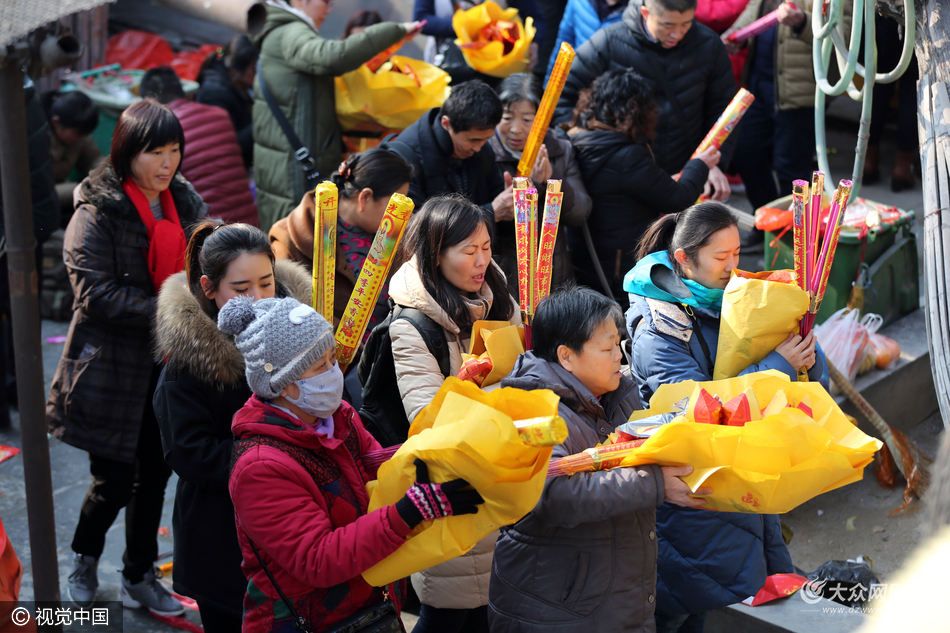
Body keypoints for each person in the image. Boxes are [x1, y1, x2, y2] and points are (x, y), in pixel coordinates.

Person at [220, 295, 485, 632]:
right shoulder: (259, 467)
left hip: (369, 608)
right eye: (321, 366)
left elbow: (383, 472)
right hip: (307, 622)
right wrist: (411, 510)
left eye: (333, 358)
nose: (334, 372)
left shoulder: (338, 418)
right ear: (286, 386)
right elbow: (318, 559)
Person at [624, 202, 825, 632]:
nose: (734, 267)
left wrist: (804, 347)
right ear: (684, 259)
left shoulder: (734, 300)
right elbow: (695, 412)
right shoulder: (658, 330)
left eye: (738, 254)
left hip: (733, 477)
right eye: (721, 257)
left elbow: (808, 385)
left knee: (705, 598)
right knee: (678, 602)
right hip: (688, 486)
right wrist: (777, 367)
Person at [47, 100, 206, 613]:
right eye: (153, 151)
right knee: (112, 481)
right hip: (109, 368)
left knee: (156, 476)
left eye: (174, 150)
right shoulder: (97, 209)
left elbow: (210, 259)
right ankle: (85, 560)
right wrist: (174, 310)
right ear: (125, 153)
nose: (166, 163)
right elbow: (94, 294)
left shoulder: (185, 204)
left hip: (167, 366)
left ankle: (139, 576)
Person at [490, 286, 710, 632]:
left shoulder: (616, 397)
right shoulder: (529, 411)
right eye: (606, 348)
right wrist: (653, 483)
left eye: (617, 345)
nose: (618, 357)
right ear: (566, 356)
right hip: (554, 609)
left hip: (608, 598)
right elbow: (552, 495)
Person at [153, 221, 311, 632]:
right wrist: (277, 456)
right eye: (241, 290)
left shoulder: (299, 333)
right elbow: (190, 454)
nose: (258, 298)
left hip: (293, 527)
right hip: (221, 540)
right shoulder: (187, 364)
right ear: (209, 288)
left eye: (266, 283)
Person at [388, 195, 519, 633]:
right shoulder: (412, 323)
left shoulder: (497, 296)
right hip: (449, 490)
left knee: (490, 610)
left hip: (503, 479)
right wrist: (492, 392)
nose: (482, 261)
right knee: (448, 611)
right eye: (469, 251)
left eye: (486, 247)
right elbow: (429, 419)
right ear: (435, 254)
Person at [251, 0, 423, 231]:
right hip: (292, 171)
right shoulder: (291, 31)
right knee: (297, 242)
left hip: (287, 164)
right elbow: (331, 56)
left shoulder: (282, 31)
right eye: (326, 2)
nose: (329, 9)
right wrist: (396, 30)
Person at [554, 0, 738, 202]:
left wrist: (711, 166)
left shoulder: (709, 45)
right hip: (622, 178)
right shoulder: (607, 43)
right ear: (645, 12)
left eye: (686, 24)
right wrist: (593, 154)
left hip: (686, 173)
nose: (677, 33)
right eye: (667, 25)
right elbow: (563, 99)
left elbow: (724, 109)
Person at [566, 69, 719, 310]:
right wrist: (699, 164)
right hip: (619, 269)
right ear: (636, 110)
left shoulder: (576, 139)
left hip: (585, 258)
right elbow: (679, 198)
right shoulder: (628, 157)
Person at [269, 147, 411, 331]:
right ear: (365, 197)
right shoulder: (289, 238)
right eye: (395, 204)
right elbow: (284, 308)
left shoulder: (400, 232)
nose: (404, 215)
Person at [722, 0, 815, 249]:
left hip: (798, 93)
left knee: (791, 168)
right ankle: (771, 226)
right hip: (757, 86)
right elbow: (754, 12)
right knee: (743, 152)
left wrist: (803, 22)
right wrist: (734, 36)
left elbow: (843, 37)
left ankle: (793, 242)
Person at [489, 73, 592, 295]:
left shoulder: (559, 149)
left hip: (554, 272)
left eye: (527, 120)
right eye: (507, 118)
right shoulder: (483, 149)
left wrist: (552, 183)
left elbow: (580, 213)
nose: (516, 129)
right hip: (502, 277)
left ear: (543, 119)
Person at [0, 76, 59, 430]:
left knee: (13, 314)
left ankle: (11, 401)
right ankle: (20, 394)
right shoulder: (24, 87)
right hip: (28, 220)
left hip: (13, 226)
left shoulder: (11, 94)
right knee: (21, 313)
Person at [140, 67, 258, 226]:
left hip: (209, 235)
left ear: (149, 100)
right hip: (250, 224)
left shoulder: (161, 133)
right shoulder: (220, 114)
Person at [394, 80, 512, 227]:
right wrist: (490, 213)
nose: (478, 148)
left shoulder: (483, 149)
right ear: (446, 123)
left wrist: (513, 202)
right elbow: (414, 227)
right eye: (473, 140)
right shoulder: (404, 157)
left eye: (486, 139)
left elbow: (497, 200)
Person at [862, 14, 919, 192]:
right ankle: (902, 168)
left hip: (883, 15)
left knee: (879, 86)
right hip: (915, 17)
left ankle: (867, 162)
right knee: (911, 90)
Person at [413, 0, 544, 76]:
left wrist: (534, 44)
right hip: (446, 66)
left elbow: (536, 18)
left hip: (496, 72)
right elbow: (421, 19)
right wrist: (471, 27)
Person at [196, 35, 259, 169]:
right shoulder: (213, 94)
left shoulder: (241, 84)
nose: (259, 73)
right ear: (237, 69)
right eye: (255, 68)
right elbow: (226, 145)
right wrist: (262, 121)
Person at [43, 90, 103, 222]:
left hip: (65, 191)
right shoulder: (36, 139)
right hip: (40, 200)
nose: (82, 138)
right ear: (55, 122)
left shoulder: (79, 133)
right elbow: (38, 194)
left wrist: (104, 175)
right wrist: (85, 187)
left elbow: (94, 159)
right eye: (78, 134)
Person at [544, 0, 625, 82]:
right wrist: (549, 83)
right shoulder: (579, 2)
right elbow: (564, 42)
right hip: (576, 82)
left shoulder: (634, 12)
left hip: (613, 87)